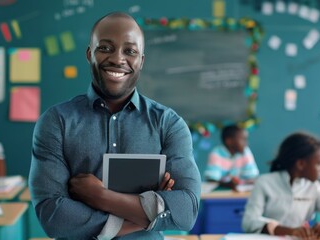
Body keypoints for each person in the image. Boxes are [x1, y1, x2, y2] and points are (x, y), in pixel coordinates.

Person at [28, 12, 201, 240]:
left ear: (141, 61)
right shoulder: (56, 121)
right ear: (90, 54)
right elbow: (53, 217)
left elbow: (186, 211)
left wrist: (99, 196)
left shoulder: (168, 124)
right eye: (105, 48)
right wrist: (146, 213)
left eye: (130, 51)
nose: (118, 59)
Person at [242, 131, 320, 239]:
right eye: (319, 163)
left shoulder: (313, 186)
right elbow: (249, 221)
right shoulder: (264, 182)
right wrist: (289, 231)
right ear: (301, 164)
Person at [204, 124, 259, 190]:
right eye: (243, 139)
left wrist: (243, 182)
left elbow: (253, 176)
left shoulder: (245, 152)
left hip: (241, 193)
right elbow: (211, 180)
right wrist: (228, 184)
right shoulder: (216, 154)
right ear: (229, 141)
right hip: (220, 194)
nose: (246, 143)